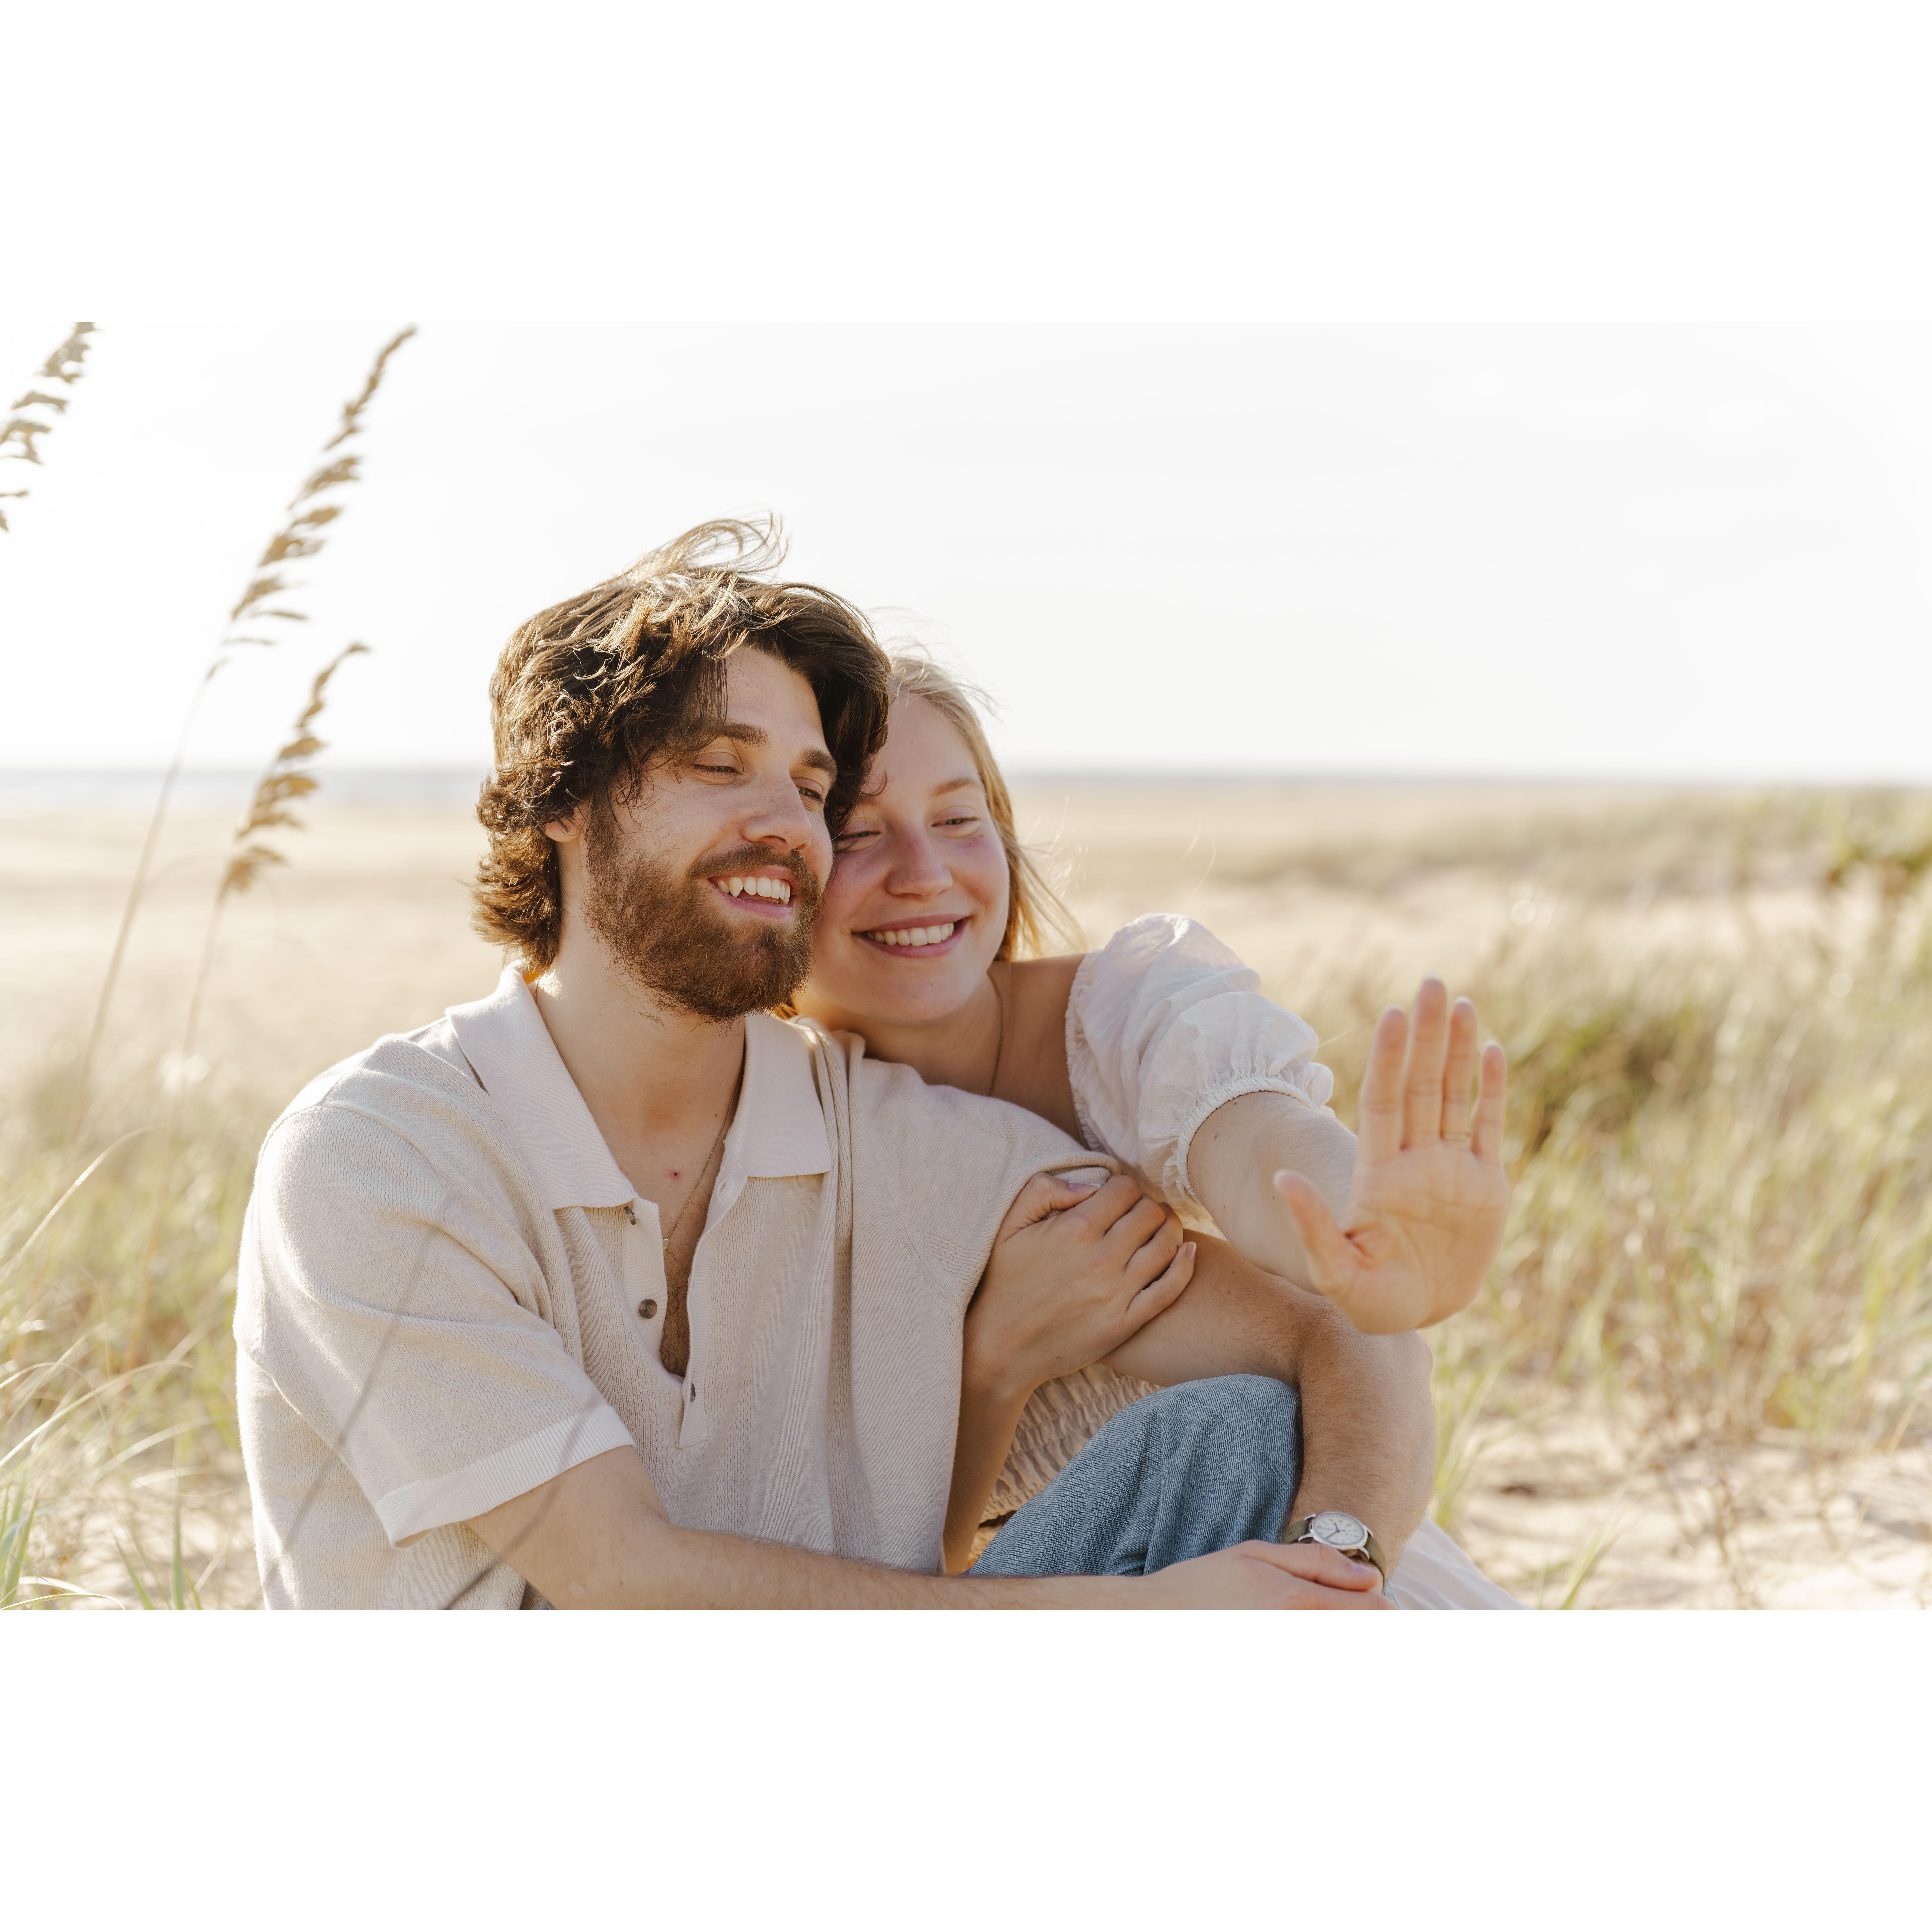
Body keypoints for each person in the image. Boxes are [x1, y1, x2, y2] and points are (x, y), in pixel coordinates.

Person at [236, 521, 1440, 1609]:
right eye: (721, 764)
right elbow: (620, 1576)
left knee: (1220, 1439)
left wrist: (1337, 1573)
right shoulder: (380, 1152)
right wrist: (1141, 1623)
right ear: (565, 794)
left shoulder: (900, 1140)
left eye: (812, 789)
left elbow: (1330, 1333)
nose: (784, 821)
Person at [791, 654, 1521, 1607]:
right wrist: (996, 1364)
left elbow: (1255, 1139)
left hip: (1303, 1548)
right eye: (856, 833)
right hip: (1055, 1597)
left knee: (1235, 1430)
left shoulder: (1120, 1017)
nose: (923, 874)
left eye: (959, 819)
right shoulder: (780, 1127)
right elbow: (886, 1571)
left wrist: (1355, 1217)